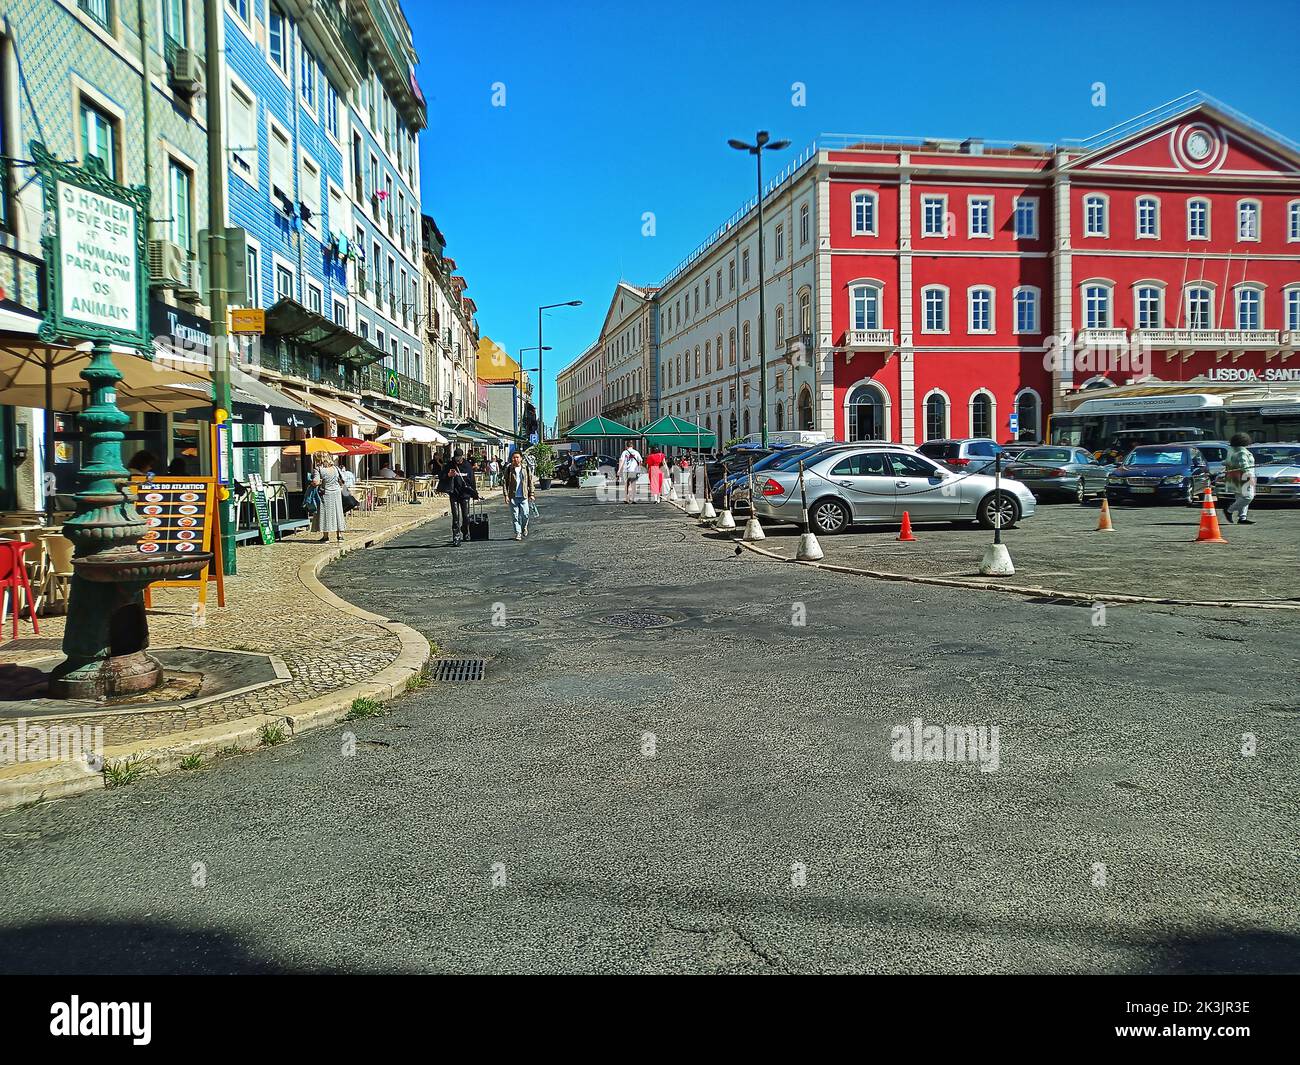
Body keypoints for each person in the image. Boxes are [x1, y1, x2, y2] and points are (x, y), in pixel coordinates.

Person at [442, 449, 479, 545]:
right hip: (454, 493)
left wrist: (475, 493)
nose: (457, 460)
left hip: (465, 494)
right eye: (456, 458)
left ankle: (465, 531)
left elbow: (472, 480)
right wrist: (448, 475)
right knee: (456, 516)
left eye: (459, 458)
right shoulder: (450, 465)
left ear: (462, 457)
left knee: (466, 516)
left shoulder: (467, 466)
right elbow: (441, 475)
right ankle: (456, 536)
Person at [310, 453, 346, 543]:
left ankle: (326, 537)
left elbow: (316, 482)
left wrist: (313, 483)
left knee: (325, 514)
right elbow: (343, 480)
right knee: (338, 512)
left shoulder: (318, 469)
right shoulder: (335, 468)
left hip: (325, 493)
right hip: (336, 493)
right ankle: (340, 536)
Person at [502, 449, 536, 541]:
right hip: (513, 496)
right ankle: (518, 533)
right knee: (515, 516)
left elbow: (530, 482)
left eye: (517, 457)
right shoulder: (509, 469)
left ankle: (524, 527)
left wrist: (531, 493)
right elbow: (505, 482)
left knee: (525, 514)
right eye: (514, 458)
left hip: (524, 496)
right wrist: (506, 495)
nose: (515, 459)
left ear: (521, 458)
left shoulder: (525, 469)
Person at [1223, 433, 1257, 525]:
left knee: (1240, 497)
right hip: (1244, 478)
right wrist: (1250, 477)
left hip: (1234, 477)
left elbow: (1226, 462)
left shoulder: (1231, 450)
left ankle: (1242, 517)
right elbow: (1244, 466)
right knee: (1248, 497)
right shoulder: (1242, 452)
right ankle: (1229, 510)